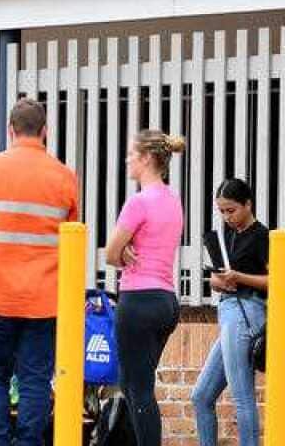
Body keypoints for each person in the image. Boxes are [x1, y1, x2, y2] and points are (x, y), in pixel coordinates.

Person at [0, 98, 79, 446]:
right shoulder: (64, 177)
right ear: (45, 132)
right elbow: (71, 234)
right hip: (43, 299)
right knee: (35, 379)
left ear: (10, 130)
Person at [105, 128, 185, 446]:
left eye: (131, 155)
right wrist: (126, 248)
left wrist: (123, 250)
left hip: (138, 300)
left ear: (148, 158)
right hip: (166, 301)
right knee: (135, 382)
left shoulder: (138, 202)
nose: (127, 160)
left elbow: (111, 253)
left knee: (138, 389)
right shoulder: (173, 200)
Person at [191, 178, 269, 446]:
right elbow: (217, 280)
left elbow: (276, 281)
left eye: (232, 210)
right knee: (201, 396)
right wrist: (219, 280)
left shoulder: (262, 236)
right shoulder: (224, 235)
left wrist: (239, 277)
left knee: (241, 396)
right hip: (228, 310)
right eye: (222, 211)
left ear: (248, 204)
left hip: (248, 312)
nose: (227, 217)